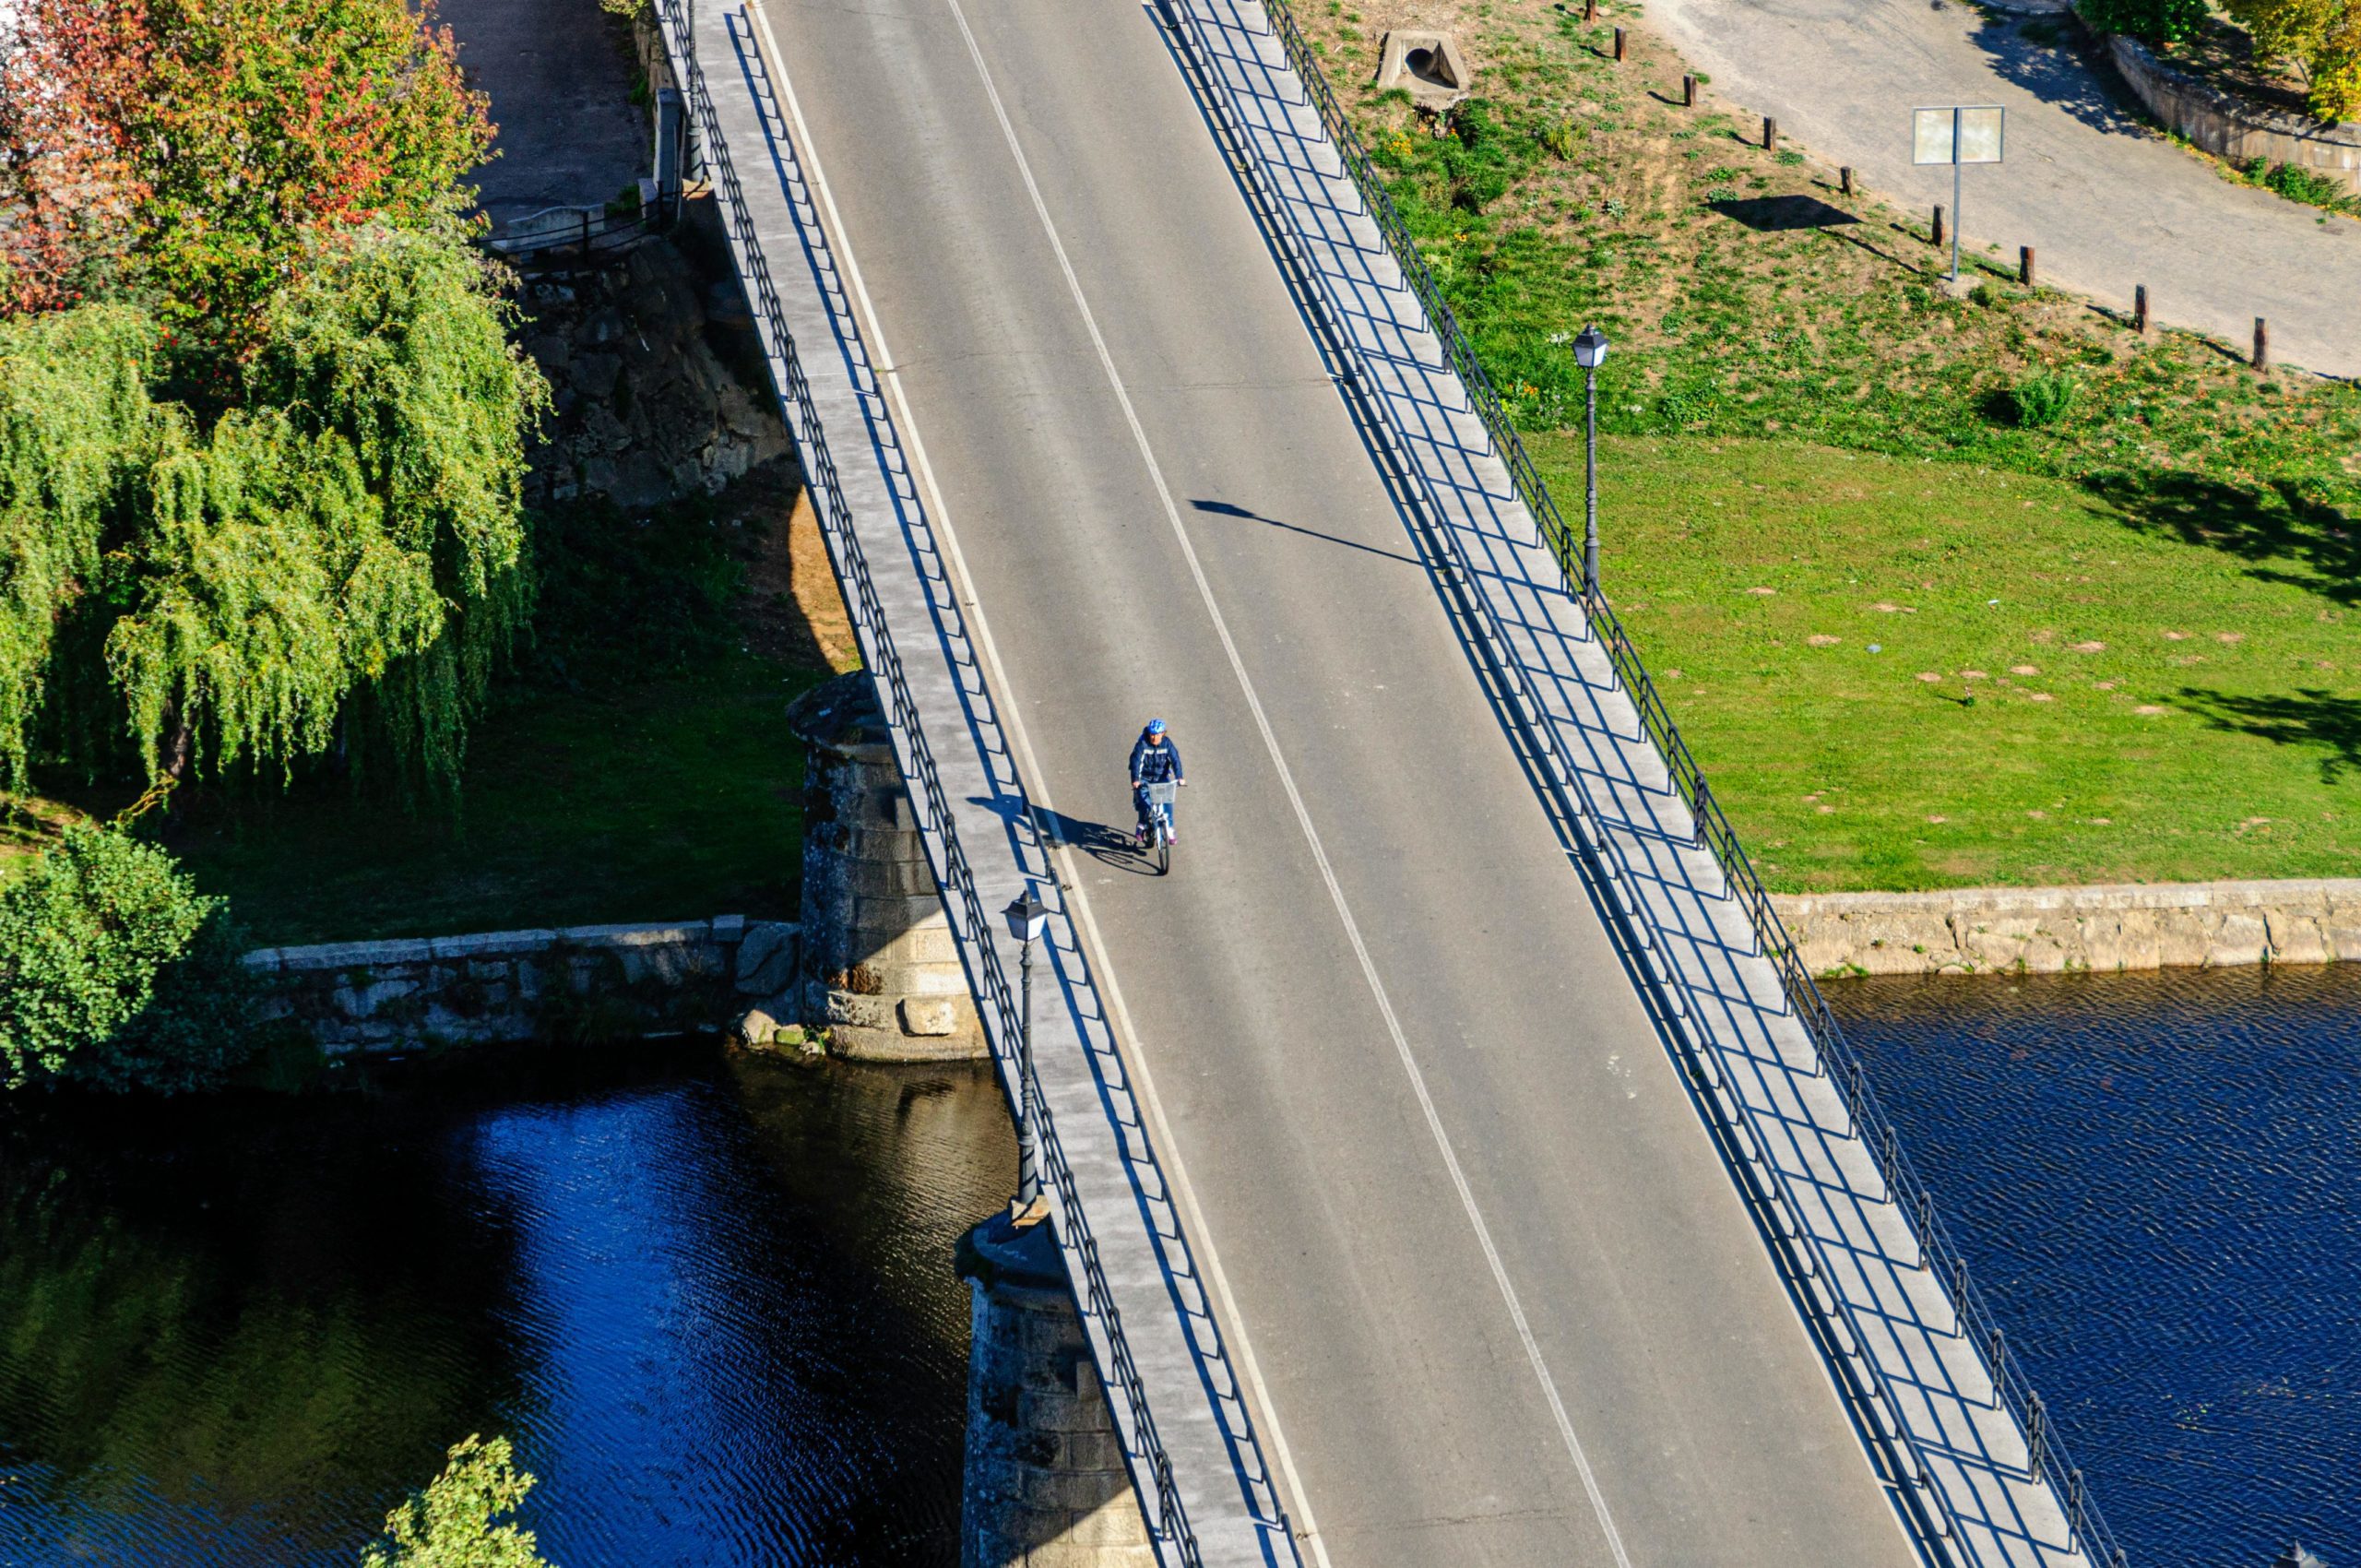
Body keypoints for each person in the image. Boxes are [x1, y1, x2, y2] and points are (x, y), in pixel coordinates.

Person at [1128, 719, 1185, 846]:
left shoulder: (1167, 744)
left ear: (1163, 733)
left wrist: (1179, 777)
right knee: (1144, 804)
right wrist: (1136, 780)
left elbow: (1175, 760)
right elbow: (1136, 762)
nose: (1154, 737)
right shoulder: (1142, 744)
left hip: (1161, 777)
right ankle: (1142, 823)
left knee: (1167, 804)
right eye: (1152, 734)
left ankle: (1169, 829)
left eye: (1157, 734)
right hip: (1144, 779)